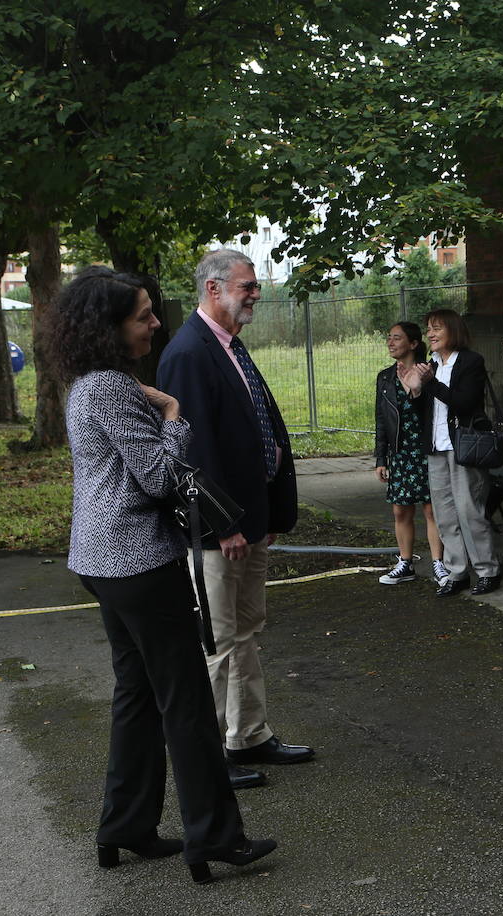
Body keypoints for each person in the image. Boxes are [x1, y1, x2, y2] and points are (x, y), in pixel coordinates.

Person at [53, 267, 276, 885]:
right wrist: (175, 413)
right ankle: (215, 839)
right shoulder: (114, 389)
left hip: (101, 563)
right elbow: (158, 476)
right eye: (143, 315)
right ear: (109, 327)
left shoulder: (86, 386)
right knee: (186, 703)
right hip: (139, 564)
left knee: (137, 696)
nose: (155, 323)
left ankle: (124, 828)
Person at [157, 249, 313, 785]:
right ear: (213, 289)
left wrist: (264, 514)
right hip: (219, 531)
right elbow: (192, 452)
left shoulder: (227, 346)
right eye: (247, 286)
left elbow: (253, 432)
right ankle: (210, 762)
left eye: (254, 286)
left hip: (248, 522)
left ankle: (248, 736)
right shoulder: (188, 352)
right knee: (220, 639)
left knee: (245, 630)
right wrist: (223, 525)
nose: (255, 294)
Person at [403, 309, 501, 597]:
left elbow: (466, 403)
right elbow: (425, 411)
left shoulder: (471, 361)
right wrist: (415, 391)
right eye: (429, 329)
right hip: (436, 447)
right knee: (444, 514)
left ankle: (487, 570)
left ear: (453, 331)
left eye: (437, 329)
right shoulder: (428, 363)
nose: (430, 334)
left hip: (463, 446)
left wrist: (430, 383)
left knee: (469, 510)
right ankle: (457, 572)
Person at [374, 321, 446, 585]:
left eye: (397, 338)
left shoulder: (429, 372)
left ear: (413, 343)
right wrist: (381, 458)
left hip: (426, 448)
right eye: (389, 338)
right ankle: (405, 563)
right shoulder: (384, 377)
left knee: (431, 510)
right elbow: (381, 420)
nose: (391, 343)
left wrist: (414, 387)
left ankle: (439, 563)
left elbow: (429, 411)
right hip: (400, 452)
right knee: (401, 510)